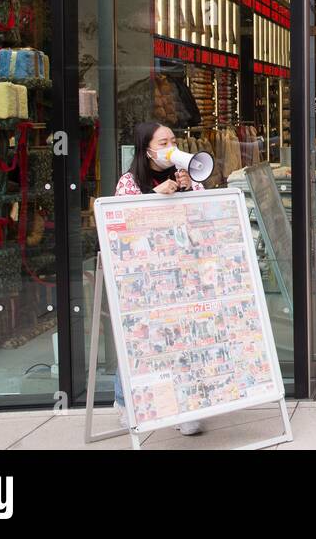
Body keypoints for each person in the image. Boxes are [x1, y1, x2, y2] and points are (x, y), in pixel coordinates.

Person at [110, 121, 206, 435]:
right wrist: (154, 195)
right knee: (139, 341)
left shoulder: (185, 175)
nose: (170, 145)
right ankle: (126, 402)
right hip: (143, 279)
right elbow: (121, 226)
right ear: (147, 149)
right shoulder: (129, 182)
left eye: (173, 140)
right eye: (163, 141)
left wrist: (190, 186)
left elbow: (204, 214)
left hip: (181, 275)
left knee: (183, 341)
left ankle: (185, 407)